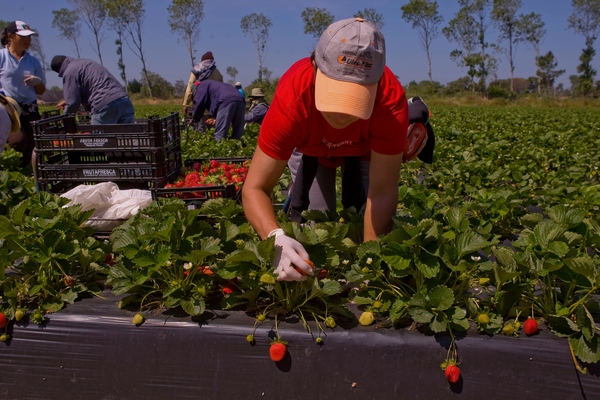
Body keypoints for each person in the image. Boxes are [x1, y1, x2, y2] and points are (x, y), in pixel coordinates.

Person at [242, 17, 409, 281]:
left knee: (364, 225)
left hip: (365, 150)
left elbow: (382, 191)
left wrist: (370, 265)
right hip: (311, 148)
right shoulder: (294, 96)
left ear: (376, 84)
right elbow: (255, 188)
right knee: (319, 226)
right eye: (335, 94)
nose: (342, 116)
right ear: (315, 65)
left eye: (356, 99)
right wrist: (275, 239)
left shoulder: (390, 103)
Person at [286, 96, 435, 223]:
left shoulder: (383, 132)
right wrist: (298, 211)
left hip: (363, 144)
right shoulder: (312, 123)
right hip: (314, 151)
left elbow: (375, 195)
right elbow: (307, 168)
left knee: (365, 216)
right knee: (319, 219)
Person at [0, 20, 46, 166]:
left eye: (29, 37)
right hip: (8, 107)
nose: (28, 40)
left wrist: (38, 82)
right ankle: (9, 170)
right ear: (11, 36)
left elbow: (41, 90)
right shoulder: (2, 57)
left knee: (33, 146)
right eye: (23, 37)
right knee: (18, 142)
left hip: (30, 107)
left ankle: (27, 176)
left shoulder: (33, 62)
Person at [50, 55, 134, 125]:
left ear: (59, 67)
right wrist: (68, 101)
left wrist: (65, 118)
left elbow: (72, 102)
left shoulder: (69, 72)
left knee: (99, 141)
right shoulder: (84, 62)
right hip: (124, 100)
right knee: (126, 139)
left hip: (105, 105)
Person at [182, 51, 223, 117]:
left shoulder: (197, 70)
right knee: (214, 125)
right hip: (215, 107)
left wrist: (186, 103)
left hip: (200, 105)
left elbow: (191, 86)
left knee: (200, 126)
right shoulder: (219, 73)